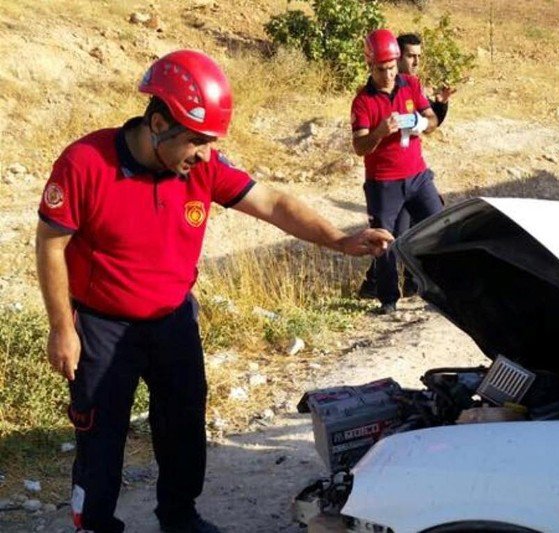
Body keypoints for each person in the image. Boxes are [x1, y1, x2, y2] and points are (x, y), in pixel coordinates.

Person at [35, 49, 393, 533]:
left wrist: (337, 239)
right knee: (101, 440)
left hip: (173, 321)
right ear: (158, 123)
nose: (205, 153)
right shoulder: (86, 163)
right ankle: (95, 524)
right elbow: (51, 244)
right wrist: (62, 328)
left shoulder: (201, 167)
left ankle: (179, 517)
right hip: (101, 327)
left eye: (209, 143)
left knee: (184, 430)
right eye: (195, 141)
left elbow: (274, 203)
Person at [351, 29, 444, 314]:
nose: (389, 75)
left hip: (417, 175)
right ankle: (388, 301)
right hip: (384, 183)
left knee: (439, 226)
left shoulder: (411, 85)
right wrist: (379, 132)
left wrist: (419, 121)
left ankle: (441, 290)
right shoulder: (362, 101)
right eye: (381, 70)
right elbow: (359, 146)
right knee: (384, 242)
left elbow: (433, 119)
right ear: (370, 65)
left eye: (392, 68)